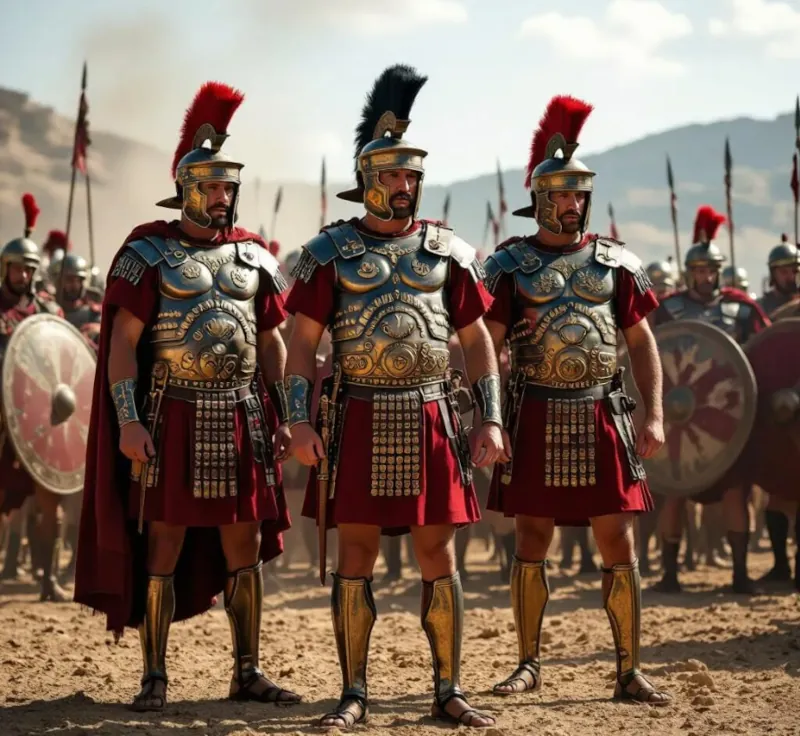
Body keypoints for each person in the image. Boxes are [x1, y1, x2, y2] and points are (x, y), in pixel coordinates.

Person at [285, 64, 505, 730]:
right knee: (356, 556)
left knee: (437, 555)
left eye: (411, 175)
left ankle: (448, 689)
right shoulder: (330, 253)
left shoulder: (449, 252)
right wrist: (298, 419)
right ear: (367, 176)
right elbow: (300, 345)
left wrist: (491, 417)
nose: (404, 186)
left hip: (432, 414)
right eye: (391, 175)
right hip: (358, 417)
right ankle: (354, 691)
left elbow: (477, 342)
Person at [74, 82, 299, 712]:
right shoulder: (148, 252)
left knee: (243, 543)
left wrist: (288, 413)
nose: (224, 196)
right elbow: (123, 344)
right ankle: (154, 675)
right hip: (171, 416)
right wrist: (127, 421)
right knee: (165, 540)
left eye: (231, 186)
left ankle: (247, 671)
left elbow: (273, 342)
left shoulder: (254, 255)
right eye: (214, 185)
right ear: (187, 186)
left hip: (243, 417)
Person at [483, 95, 669, 705]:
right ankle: (529, 661)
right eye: (562, 194)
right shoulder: (510, 264)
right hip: (534, 410)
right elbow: (482, 339)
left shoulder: (614, 261)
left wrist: (655, 412)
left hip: (600, 409)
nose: (573, 204)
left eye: (580, 194)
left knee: (617, 538)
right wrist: (495, 394)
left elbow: (641, 342)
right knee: (532, 537)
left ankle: (628, 669)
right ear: (539, 199)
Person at [652, 205, 769, 594]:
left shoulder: (741, 308)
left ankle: (739, 574)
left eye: (710, 270)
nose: (705, 277)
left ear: (719, 270)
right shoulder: (668, 309)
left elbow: (766, 352)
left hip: (728, 417)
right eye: (698, 271)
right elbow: (648, 354)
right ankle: (669, 575)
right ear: (690, 274)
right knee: (674, 491)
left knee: (736, 491)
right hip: (678, 417)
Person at [0, 193, 68, 601]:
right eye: (16, 269)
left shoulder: (50, 312)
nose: (23, 276)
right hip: (1, 420)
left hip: (39, 420)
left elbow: (63, 361)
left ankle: (48, 579)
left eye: (29, 270)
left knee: (50, 504)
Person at [51, 252, 102, 346]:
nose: (75, 285)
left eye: (78, 280)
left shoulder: (93, 314)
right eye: (69, 280)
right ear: (58, 281)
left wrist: (96, 330)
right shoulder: (48, 310)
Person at [759, 235, 799, 317]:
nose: (791, 277)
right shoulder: (759, 308)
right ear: (773, 274)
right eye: (784, 272)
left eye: (795, 271)